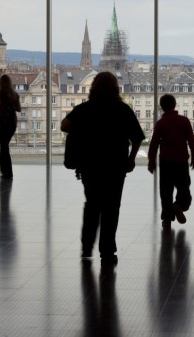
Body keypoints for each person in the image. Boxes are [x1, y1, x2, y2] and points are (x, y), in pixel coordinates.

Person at [61, 72, 144, 264]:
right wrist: (131, 158)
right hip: (116, 164)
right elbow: (137, 137)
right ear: (115, 88)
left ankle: (87, 245)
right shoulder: (122, 110)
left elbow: (65, 126)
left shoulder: (85, 109)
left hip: (90, 163)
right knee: (111, 206)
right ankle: (107, 249)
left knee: (92, 204)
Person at [147, 94, 194, 229]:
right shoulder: (184, 121)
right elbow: (191, 141)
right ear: (175, 104)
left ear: (162, 107)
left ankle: (167, 220)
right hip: (181, 161)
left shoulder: (160, 123)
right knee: (184, 189)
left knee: (165, 192)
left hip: (165, 162)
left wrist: (151, 161)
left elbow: (154, 144)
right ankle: (179, 205)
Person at [0, 74, 21, 179]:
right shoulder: (15, 94)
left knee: (3, 147)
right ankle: (7, 171)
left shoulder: (1, 93)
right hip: (12, 122)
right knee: (5, 146)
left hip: (2, 122)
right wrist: (11, 105)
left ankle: (6, 171)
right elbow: (19, 109)